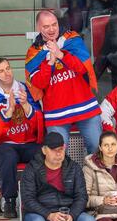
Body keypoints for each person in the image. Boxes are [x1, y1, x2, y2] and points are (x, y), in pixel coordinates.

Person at [25, 10, 102, 154]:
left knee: (98, 150)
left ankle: (94, 177)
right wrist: (50, 62)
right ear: (38, 28)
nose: (52, 29)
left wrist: (60, 54)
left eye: (54, 24)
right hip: (56, 113)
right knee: (57, 155)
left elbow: (82, 68)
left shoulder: (73, 39)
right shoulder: (34, 52)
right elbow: (39, 84)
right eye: (46, 26)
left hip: (85, 106)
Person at [0, 58, 44, 218]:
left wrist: (27, 106)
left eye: (8, 68)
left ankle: (43, 198)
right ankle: (9, 200)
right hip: (1, 146)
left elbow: (40, 125)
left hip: (26, 143)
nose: (6, 73)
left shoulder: (26, 90)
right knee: (9, 155)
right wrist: (8, 112)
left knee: (45, 153)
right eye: (1, 71)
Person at [20, 132, 97, 221]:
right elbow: (28, 200)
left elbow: (81, 196)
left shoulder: (73, 167)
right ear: (44, 150)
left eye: (61, 149)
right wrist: (49, 215)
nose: (58, 154)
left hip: (67, 213)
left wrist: (72, 215)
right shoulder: (32, 168)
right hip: (40, 213)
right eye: (54, 150)